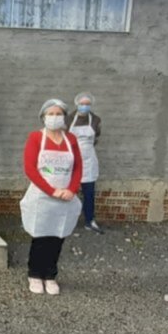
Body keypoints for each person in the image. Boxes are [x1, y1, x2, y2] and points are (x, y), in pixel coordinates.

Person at [20, 98, 83, 295]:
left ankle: (50, 275)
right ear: (43, 117)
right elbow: (30, 169)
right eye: (51, 114)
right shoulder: (36, 138)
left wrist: (71, 189)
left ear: (64, 116)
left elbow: (78, 167)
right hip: (42, 196)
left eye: (58, 114)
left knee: (58, 236)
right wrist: (51, 190)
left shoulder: (71, 139)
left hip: (64, 197)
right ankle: (35, 274)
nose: (55, 118)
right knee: (41, 236)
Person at [67, 92, 103, 233]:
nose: (84, 106)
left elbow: (97, 137)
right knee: (69, 191)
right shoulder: (69, 119)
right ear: (77, 104)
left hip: (89, 160)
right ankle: (67, 220)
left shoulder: (95, 120)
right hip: (71, 159)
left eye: (87, 104)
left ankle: (89, 220)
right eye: (82, 104)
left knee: (89, 192)